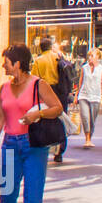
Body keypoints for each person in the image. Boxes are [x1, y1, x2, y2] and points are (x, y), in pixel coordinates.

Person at [0, 43, 63, 203]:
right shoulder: (4, 88)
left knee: (32, 194)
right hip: (10, 143)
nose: (4, 65)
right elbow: (0, 118)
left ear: (18, 64)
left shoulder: (37, 85)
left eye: (7, 62)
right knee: (7, 191)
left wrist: (37, 114)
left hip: (33, 145)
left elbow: (57, 107)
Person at [31, 36, 71, 165]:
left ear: (40, 48)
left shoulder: (38, 60)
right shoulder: (58, 57)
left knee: (45, 120)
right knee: (61, 119)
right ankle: (60, 151)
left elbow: (35, 79)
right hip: (60, 91)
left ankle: (46, 147)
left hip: (46, 91)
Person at [76, 47, 102, 147]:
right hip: (84, 95)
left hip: (95, 96)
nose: (90, 58)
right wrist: (76, 95)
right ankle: (87, 139)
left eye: (92, 56)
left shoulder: (101, 68)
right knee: (85, 117)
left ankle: (90, 136)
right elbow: (80, 82)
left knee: (92, 119)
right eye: (89, 56)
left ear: (97, 57)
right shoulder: (84, 68)